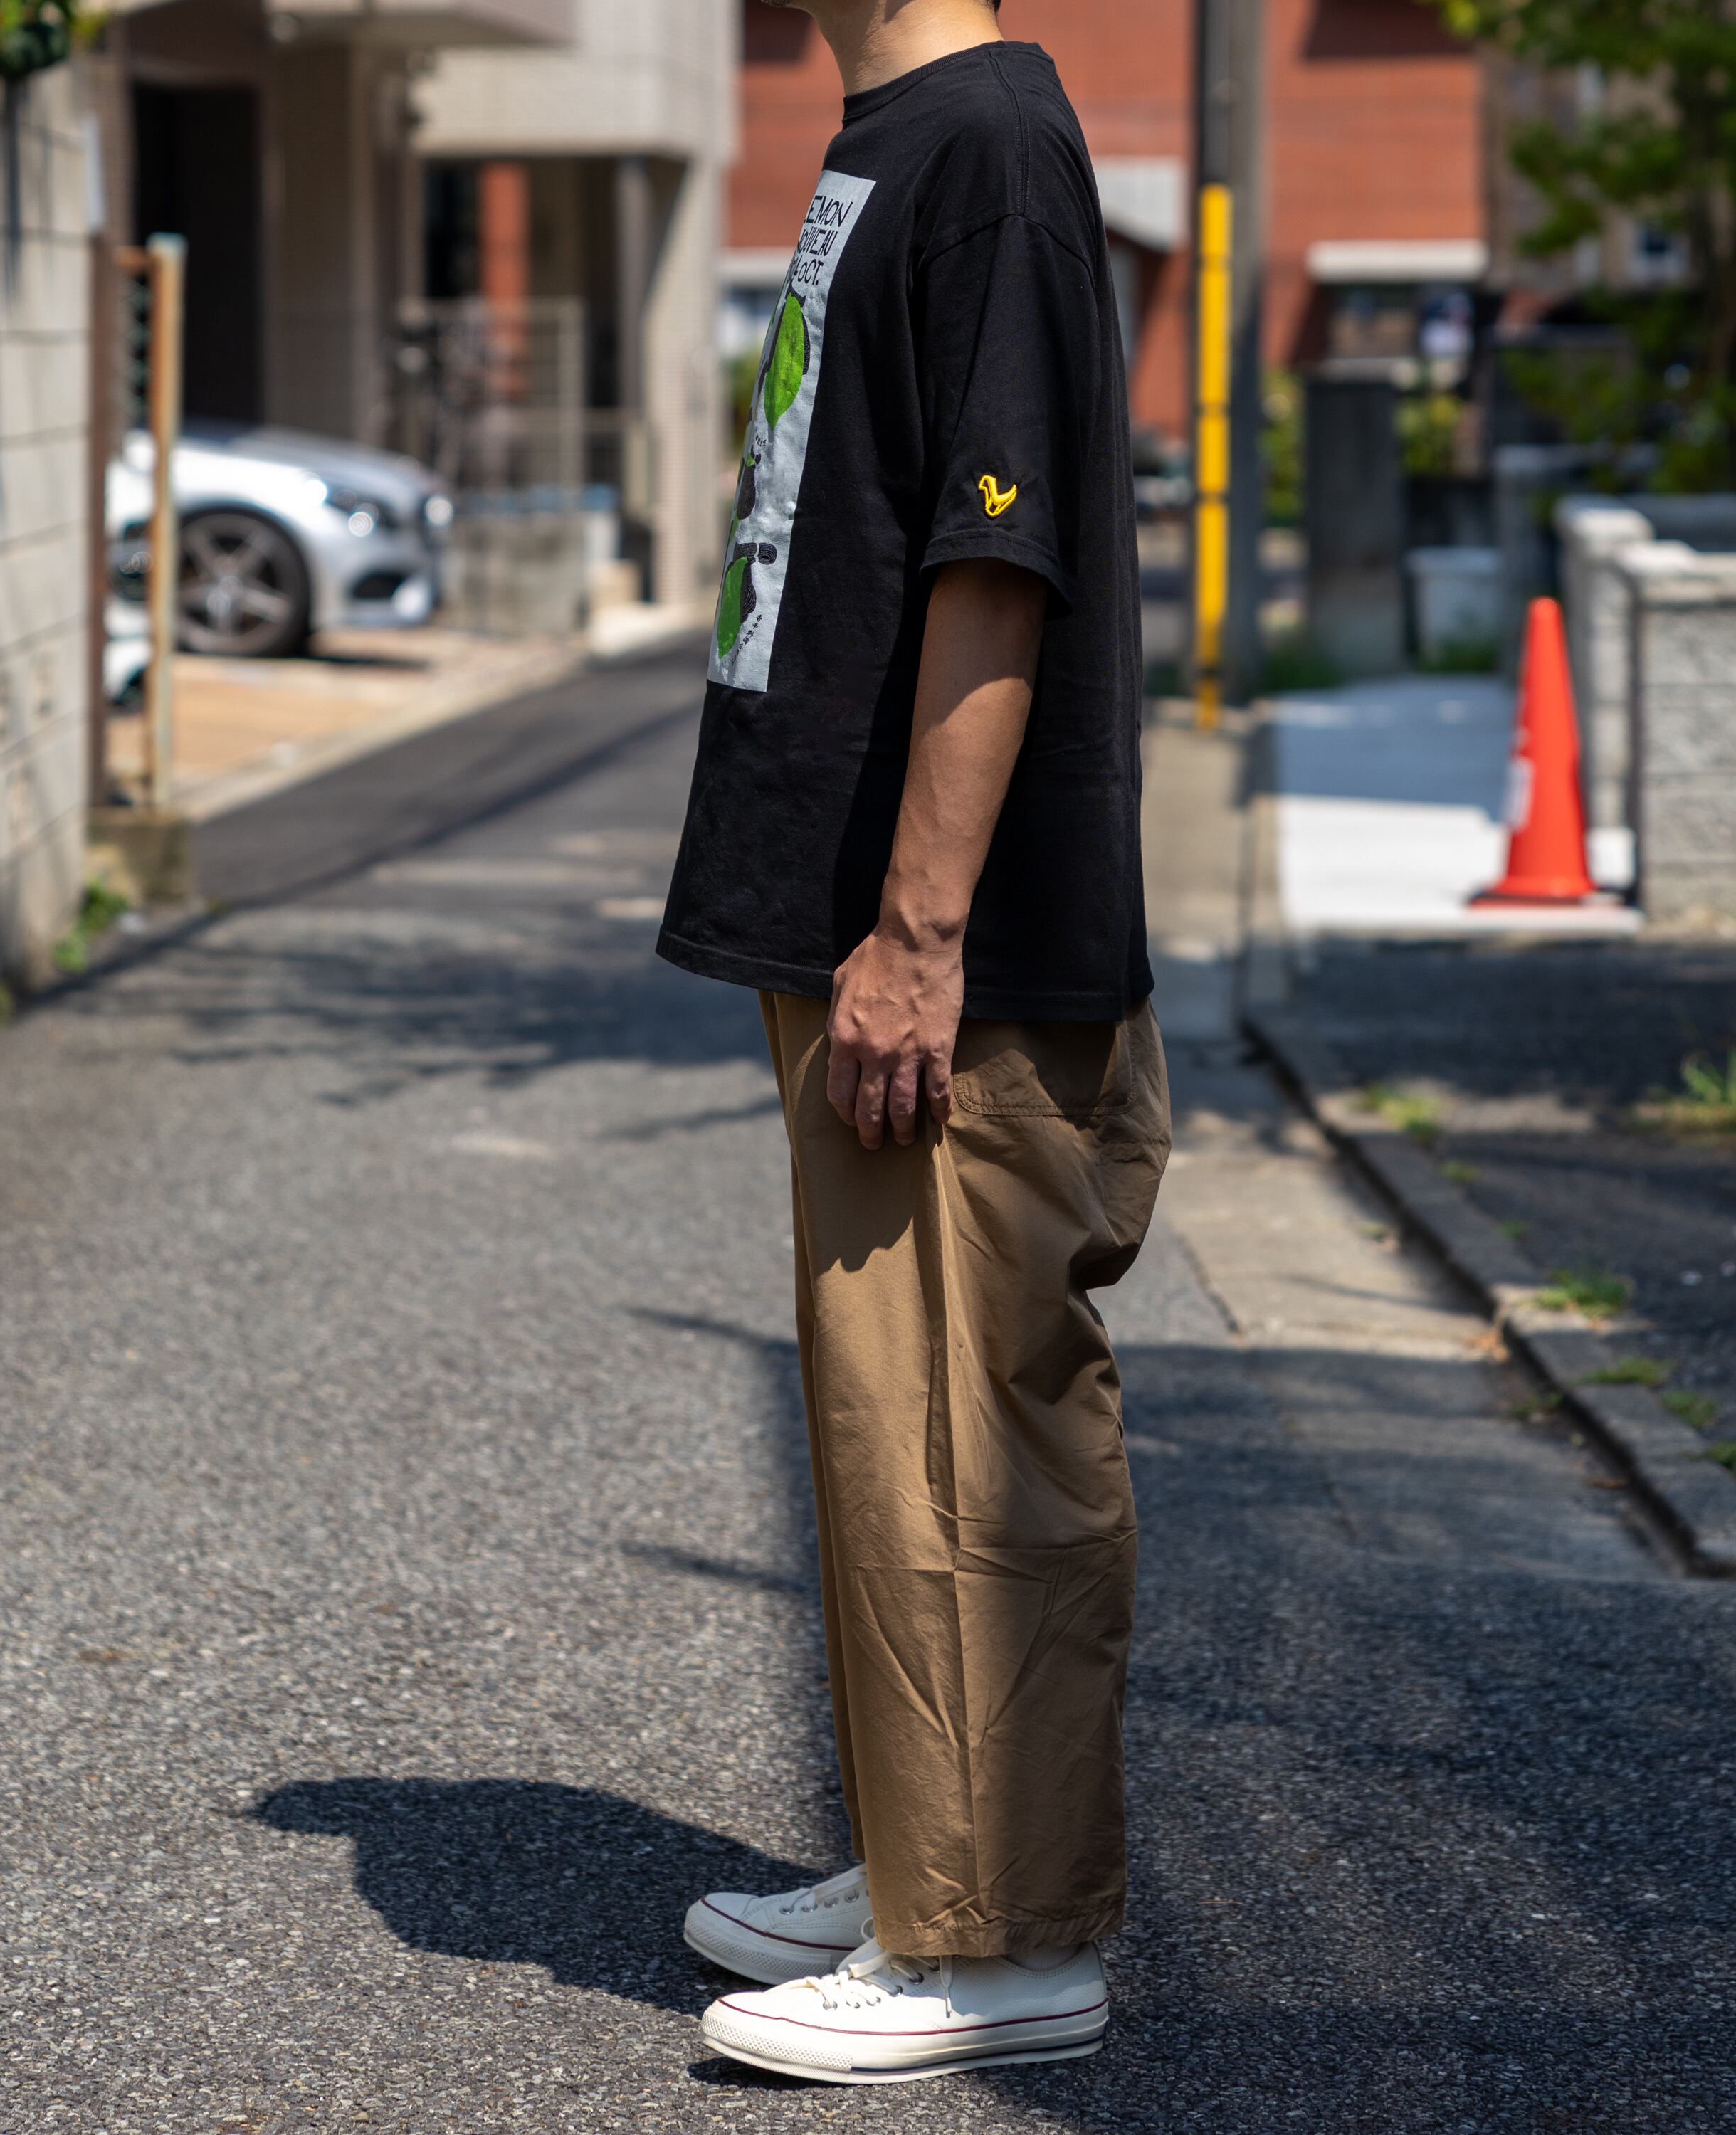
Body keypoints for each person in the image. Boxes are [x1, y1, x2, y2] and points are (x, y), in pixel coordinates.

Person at [656, 0, 1169, 2085]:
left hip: (958, 959)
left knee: (976, 1432)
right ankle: (924, 1869)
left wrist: (922, 930)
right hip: (865, 931)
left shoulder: (993, 152)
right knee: (894, 1431)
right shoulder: (903, 134)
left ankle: (1002, 1939)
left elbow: (996, 561)